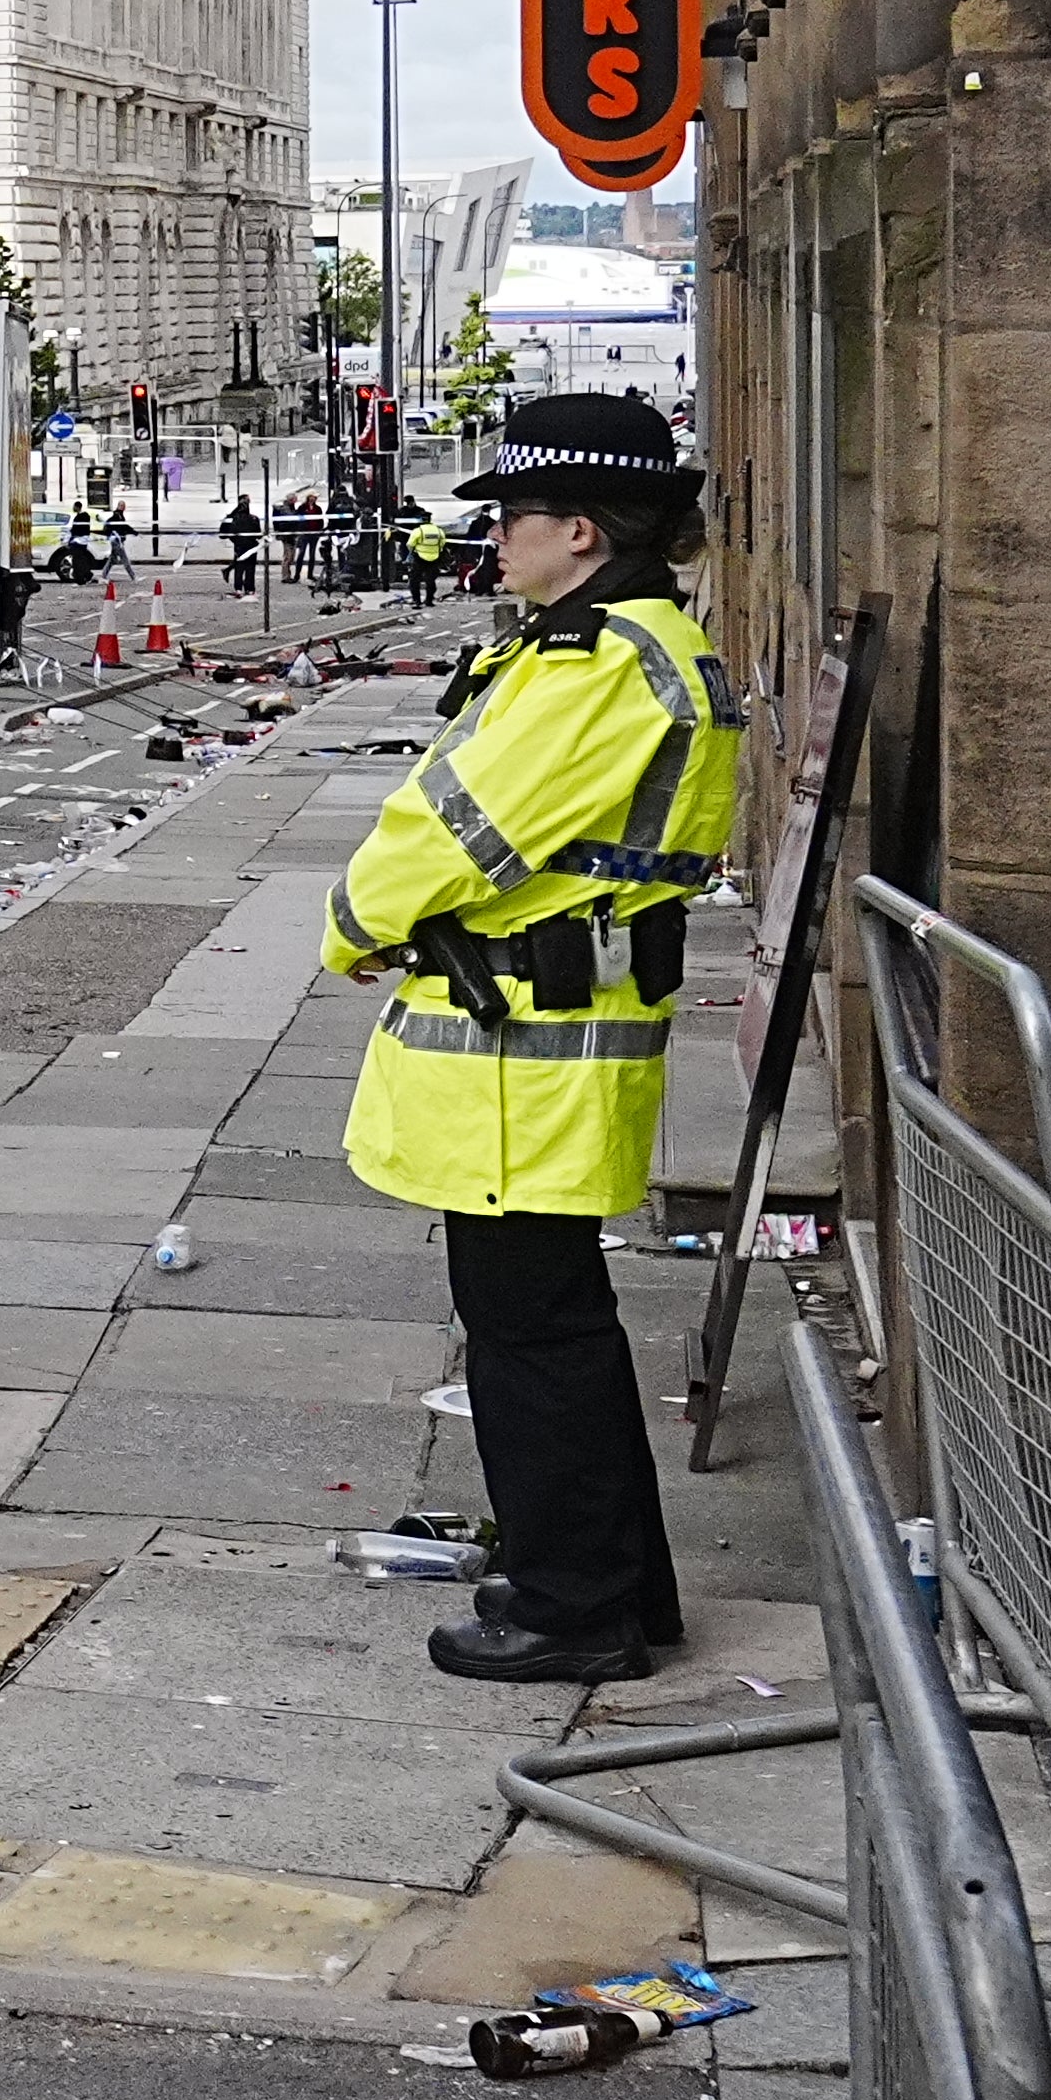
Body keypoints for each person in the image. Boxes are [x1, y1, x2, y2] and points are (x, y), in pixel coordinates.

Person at [318, 390, 746, 1682]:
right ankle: (618, 1583)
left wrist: (352, 925)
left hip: (526, 1051)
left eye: (511, 516)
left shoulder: (602, 662)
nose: (492, 538)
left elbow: (457, 828)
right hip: (546, 1035)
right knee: (555, 1324)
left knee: (531, 1338)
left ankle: (573, 1610)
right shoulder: (609, 645)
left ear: (582, 527)